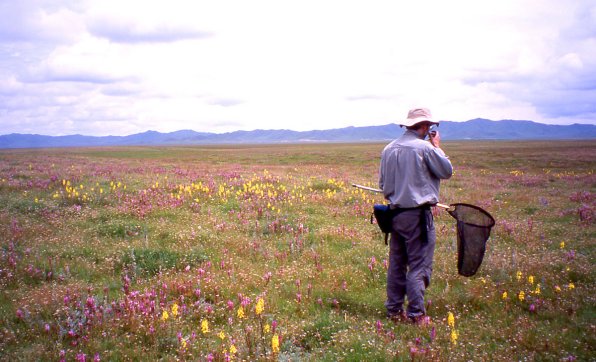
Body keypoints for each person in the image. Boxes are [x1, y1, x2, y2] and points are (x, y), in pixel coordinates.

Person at [379, 107, 453, 325]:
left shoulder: (388, 149)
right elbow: (447, 171)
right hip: (418, 217)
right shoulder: (426, 149)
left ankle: (394, 311)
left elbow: (383, 185)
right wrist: (437, 147)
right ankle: (416, 315)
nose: (431, 129)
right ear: (424, 126)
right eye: (429, 126)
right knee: (418, 266)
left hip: (395, 215)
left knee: (397, 264)